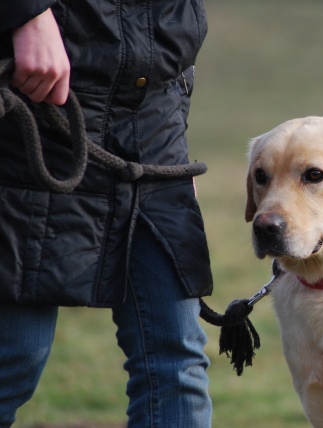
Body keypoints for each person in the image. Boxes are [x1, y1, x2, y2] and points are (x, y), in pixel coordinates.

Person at [0, 1, 214, 426]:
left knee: (177, 363)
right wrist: (26, 13)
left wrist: (174, 143)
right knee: (14, 358)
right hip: (33, 117)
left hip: (154, 131)